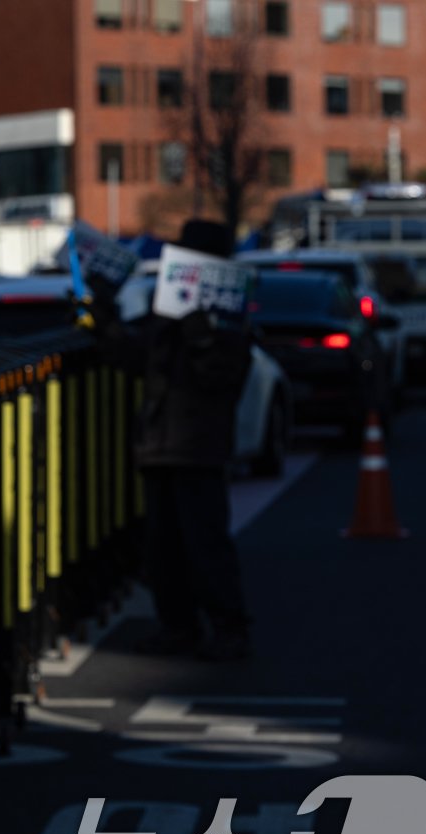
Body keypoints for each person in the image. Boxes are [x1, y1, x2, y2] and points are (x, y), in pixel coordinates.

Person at [134, 219, 254, 661]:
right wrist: (103, 323)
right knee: (163, 547)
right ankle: (179, 626)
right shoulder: (167, 309)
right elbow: (140, 360)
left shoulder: (226, 317)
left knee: (205, 543)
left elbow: (221, 379)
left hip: (197, 446)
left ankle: (229, 626)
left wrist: (201, 337)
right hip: (162, 443)